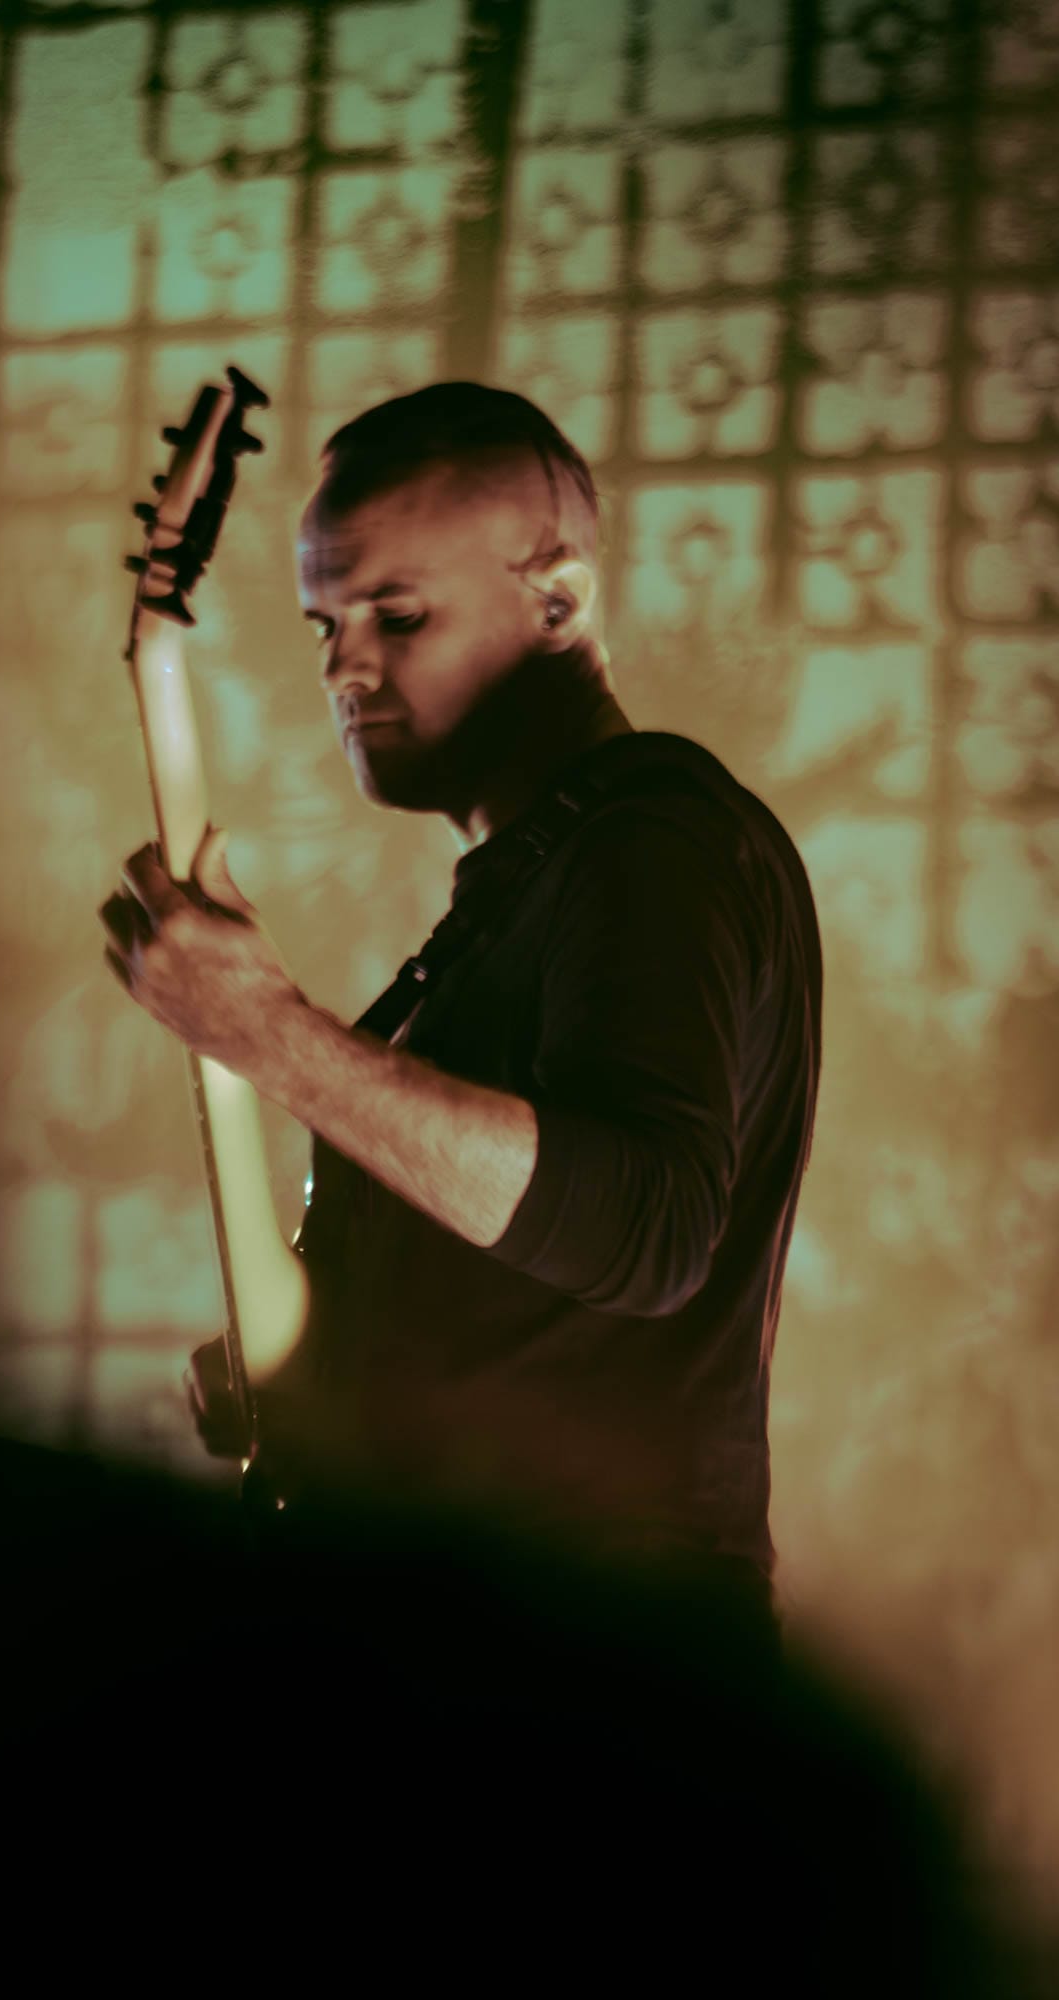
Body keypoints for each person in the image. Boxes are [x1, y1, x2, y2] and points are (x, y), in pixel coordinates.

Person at [98, 382, 823, 1610]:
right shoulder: (527, 887)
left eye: (399, 613)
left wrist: (268, 1032)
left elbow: (646, 1223)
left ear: (559, 601)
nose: (344, 665)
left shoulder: (655, 837)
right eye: (325, 622)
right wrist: (331, 1368)